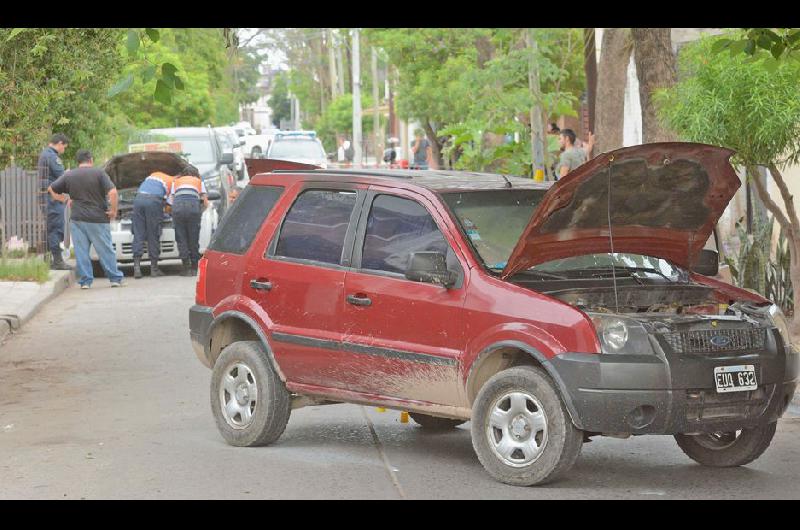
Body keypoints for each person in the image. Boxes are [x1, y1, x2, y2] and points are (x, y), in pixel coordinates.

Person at [47, 149, 124, 289]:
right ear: (91, 160)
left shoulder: (69, 175)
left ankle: (85, 282)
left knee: (81, 251)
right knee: (105, 249)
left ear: (78, 161)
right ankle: (114, 278)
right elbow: (113, 192)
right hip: (98, 219)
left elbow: (51, 189)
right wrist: (113, 210)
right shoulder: (99, 173)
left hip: (77, 219)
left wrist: (64, 199)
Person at [131, 170, 174, 279]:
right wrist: (166, 212)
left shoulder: (154, 175)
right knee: (153, 234)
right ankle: (154, 269)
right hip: (153, 201)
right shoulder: (173, 182)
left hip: (138, 199)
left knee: (138, 233)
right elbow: (169, 206)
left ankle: (137, 268)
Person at [38, 133, 71, 270]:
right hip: (52, 199)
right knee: (56, 228)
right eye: (64, 147)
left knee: (50, 228)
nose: (64, 150)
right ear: (60, 143)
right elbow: (61, 176)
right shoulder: (52, 156)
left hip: (47, 197)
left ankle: (49, 260)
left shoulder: (44, 154)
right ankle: (57, 261)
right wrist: (68, 173)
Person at [169, 165, 208, 276]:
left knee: (181, 237)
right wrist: (199, 212)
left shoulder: (176, 182)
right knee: (193, 237)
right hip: (193, 207)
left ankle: (185, 268)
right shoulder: (199, 181)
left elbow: (171, 201)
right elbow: (205, 202)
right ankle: (194, 268)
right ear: (195, 174)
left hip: (178, 207)